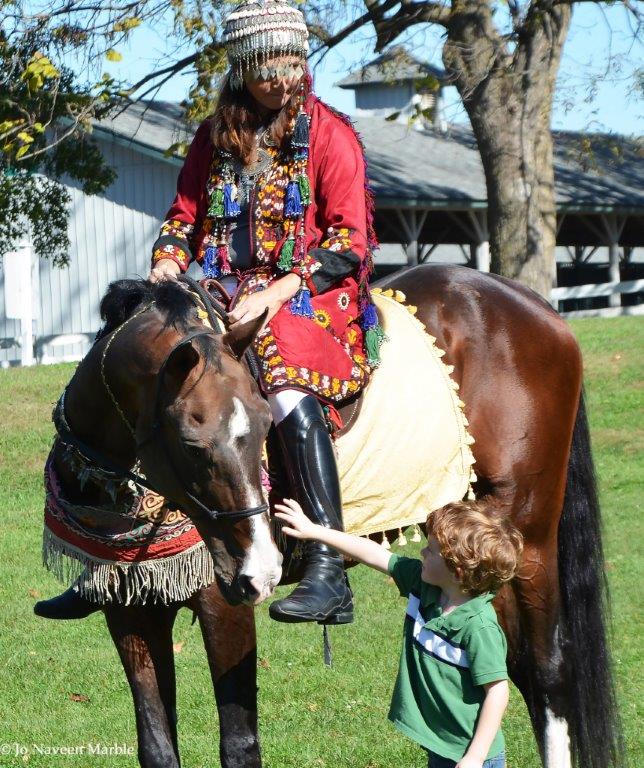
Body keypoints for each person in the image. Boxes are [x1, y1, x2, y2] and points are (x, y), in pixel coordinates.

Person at [35, 0, 384, 624]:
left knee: (284, 385)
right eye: (267, 67)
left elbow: (349, 241)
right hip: (220, 288)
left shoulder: (331, 135)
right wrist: (168, 261)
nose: (281, 80)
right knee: (137, 360)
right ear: (242, 68)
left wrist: (277, 292)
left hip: (310, 294)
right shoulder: (213, 137)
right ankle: (103, 558)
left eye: (291, 65)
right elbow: (184, 218)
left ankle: (327, 568)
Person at [274, 497, 524, 768]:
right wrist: (314, 531)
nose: (422, 552)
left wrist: (475, 756)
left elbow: (497, 692)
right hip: (442, 745)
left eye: (431, 550)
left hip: (472, 754)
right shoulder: (423, 584)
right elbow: (373, 554)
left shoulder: (478, 627)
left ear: (458, 571)